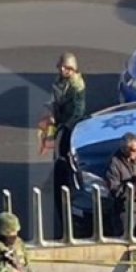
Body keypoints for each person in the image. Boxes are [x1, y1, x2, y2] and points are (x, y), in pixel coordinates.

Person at [39, 52, 87, 239]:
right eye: (60, 67)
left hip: (69, 128)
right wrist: (50, 112)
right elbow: (53, 98)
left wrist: (61, 129)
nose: (62, 70)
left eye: (66, 68)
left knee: (66, 166)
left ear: (73, 69)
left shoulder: (77, 86)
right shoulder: (60, 81)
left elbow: (77, 112)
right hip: (59, 124)